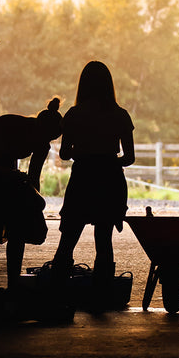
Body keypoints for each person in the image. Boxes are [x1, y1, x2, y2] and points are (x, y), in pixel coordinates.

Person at [50, 61, 135, 309]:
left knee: (68, 239)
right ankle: (101, 298)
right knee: (104, 240)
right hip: (110, 179)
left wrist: (85, 154)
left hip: (83, 178)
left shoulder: (74, 115)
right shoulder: (120, 115)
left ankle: (56, 296)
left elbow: (65, 153)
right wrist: (107, 158)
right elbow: (129, 158)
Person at [0, 98, 63, 294]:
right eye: (44, 137)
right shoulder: (11, 125)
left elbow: (34, 178)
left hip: (7, 174)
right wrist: (11, 175)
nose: (45, 142)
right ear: (38, 126)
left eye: (49, 139)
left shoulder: (42, 143)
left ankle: (13, 285)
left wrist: (34, 205)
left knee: (17, 229)